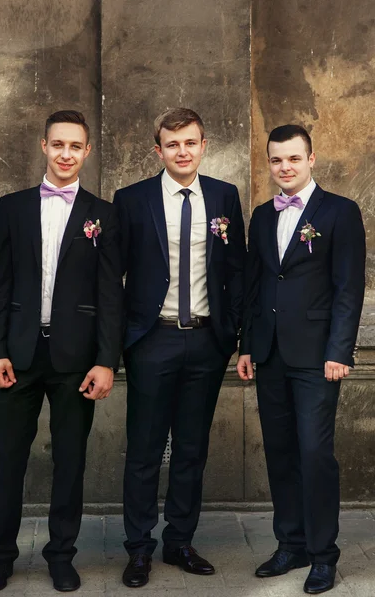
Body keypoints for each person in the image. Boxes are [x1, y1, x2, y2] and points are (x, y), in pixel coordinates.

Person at [0, 110, 123, 592]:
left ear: (86, 152)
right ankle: (0, 555)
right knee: (6, 460)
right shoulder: (13, 207)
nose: (65, 154)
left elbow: (110, 296)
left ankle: (61, 553)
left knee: (70, 460)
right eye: (57, 144)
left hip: (76, 360)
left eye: (75, 146)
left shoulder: (102, 215)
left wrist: (106, 360)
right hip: (16, 356)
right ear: (44, 146)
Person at [114, 108, 246, 588]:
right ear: (159, 150)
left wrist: (231, 334)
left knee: (192, 449)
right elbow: (114, 277)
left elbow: (236, 269)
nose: (182, 151)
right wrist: (119, 343)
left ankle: (181, 541)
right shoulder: (132, 200)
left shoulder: (225, 196)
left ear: (203, 144)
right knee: (146, 450)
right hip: (153, 339)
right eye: (172, 144)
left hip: (207, 342)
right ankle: (139, 548)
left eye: (190, 142)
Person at [237, 124, 365, 594]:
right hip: (269, 353)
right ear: (268, 163)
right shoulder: (262, 216)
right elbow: (255, 289)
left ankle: (322, 554)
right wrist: (248, 344)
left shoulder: (339, 212)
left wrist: (339, 352)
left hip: (317, 358)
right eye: (276, 160)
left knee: (314, 453)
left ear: (312, 159)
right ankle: (288, 543)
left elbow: (348, 289)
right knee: (281, 452)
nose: (284, 167)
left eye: (293, 158)